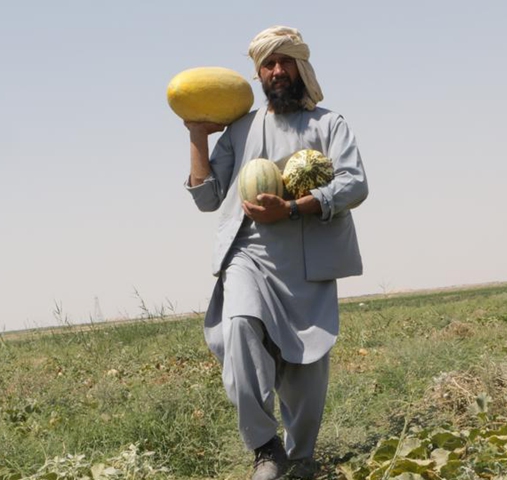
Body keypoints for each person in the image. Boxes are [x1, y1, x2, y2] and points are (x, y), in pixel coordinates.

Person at [183, 26, 369, 480]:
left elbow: (354, 183)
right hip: (249, 256)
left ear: (301, 68)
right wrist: (197, 136)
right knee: (241, 328)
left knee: (307, 369)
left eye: (285, 62)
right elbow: (208, 199)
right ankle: (265, 448)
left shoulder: (329, 124)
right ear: (259, 74)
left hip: (308, 264)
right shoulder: (241, 129)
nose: (277, 71)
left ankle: (300, 455)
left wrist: (290, 208)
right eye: (268, 65)